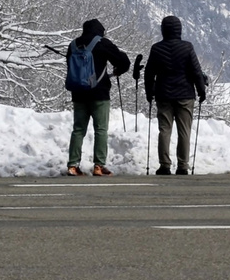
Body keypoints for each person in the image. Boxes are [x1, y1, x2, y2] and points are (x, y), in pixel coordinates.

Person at [144, 14, 209, 175]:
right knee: (184, 131)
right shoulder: (187, 47)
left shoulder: (156, 48)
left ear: (163, 30)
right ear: (179, 30)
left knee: (164, 130)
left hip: (163, 95)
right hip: (185, 95)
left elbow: (149, 73)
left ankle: (164, 165)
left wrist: (149, 92)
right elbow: (195, 71)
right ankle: (182, 165)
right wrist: (201, 91)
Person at [64, 17, 130, 176]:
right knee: (101, 129)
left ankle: (73, 165)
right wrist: (117, 70)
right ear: (100, 31)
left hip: (78, 93)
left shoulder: (73, 45)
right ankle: (98, 166)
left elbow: (70, 65)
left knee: (78, 129)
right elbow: (123, 61)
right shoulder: (102, 43)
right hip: (99, 93)